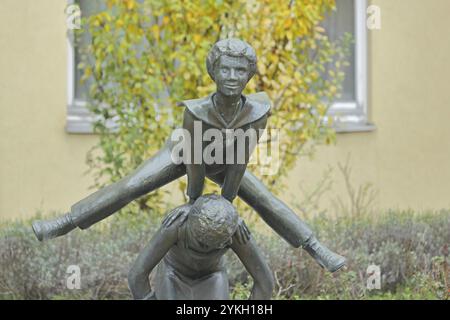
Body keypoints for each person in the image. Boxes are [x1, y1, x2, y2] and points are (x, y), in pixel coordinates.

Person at [32, 38, 345, 272]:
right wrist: (194, 203)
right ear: (214, 72)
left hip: (224, 162)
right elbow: (194, 161)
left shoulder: (257, 111)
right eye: (225, 68)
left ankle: (315, 247)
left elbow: (239, 162)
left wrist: (226, 205)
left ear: (249, 74)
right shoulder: (196, 112)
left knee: (264, 199)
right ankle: (67, 221)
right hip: (185, 153)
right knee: (130, 187)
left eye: (240, 69)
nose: (233, 76)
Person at [127, 194, 274, 300]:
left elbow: (265, 282)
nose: (204, 249)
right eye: (200, 242)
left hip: (212, 276)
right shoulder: (177, 224)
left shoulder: (234, 231)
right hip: (173, 274)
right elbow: (137, 275)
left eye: (212, 246)